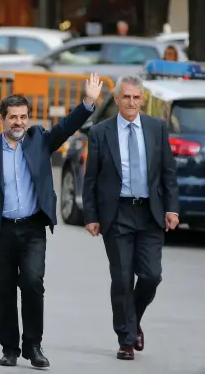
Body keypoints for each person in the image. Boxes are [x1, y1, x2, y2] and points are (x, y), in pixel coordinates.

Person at [0, 74, 103, 368]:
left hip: (32, 229)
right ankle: (10, 349)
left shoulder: (39, 140)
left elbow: (67, 127)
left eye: (23, 117)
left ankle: (34, 346)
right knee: (4, 291)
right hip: (1, 230)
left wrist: (88, 101)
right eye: (13, 117)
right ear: (1, 119)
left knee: (32, 283)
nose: (19, 122)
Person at [82, 75, 179, 360]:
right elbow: (91, 178)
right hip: (117, 213)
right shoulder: (101, 132)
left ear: (143, 100)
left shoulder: (156, 128)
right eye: (126, 97)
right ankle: (126, 338)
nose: (132, 102)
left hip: (150, 213)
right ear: (117, 99)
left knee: (151, 275)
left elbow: (168, 173)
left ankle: (132, 319)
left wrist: (171, 209)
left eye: (137, 98)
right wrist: (91, 215)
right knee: (122, 279)